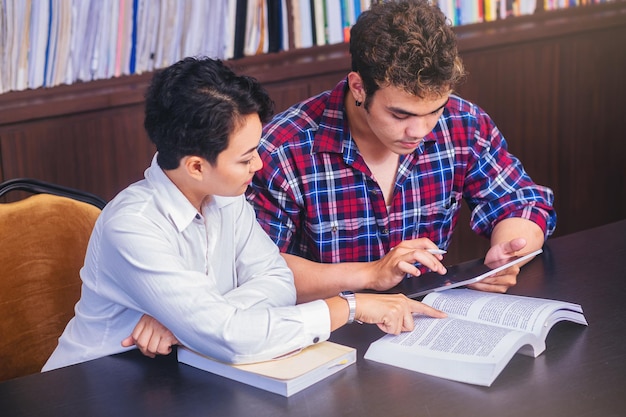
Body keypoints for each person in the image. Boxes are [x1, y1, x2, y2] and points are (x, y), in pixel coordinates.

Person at [42, 57, 446, 371]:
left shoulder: (226, 196)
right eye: (246, 157)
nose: (258, 165)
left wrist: (195, 322)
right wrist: (352, 306)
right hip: (91, 385)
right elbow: (232, 338)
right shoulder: (131, 226)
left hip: (177, 375)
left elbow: (276, 281)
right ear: (197, 166)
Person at [247, 0, 557, 303]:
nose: (420, 131)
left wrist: (507, 255)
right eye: (400, 115)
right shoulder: (282, 151)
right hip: (330, 331)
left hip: (425, 320)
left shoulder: (463, 123)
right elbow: (256, 272)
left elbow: (522, 202)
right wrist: (370, 274)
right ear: (359, 87)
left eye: (434, 110)